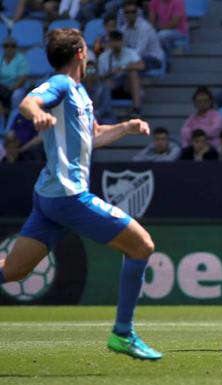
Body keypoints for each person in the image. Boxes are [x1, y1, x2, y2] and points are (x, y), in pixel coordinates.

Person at [0, 28, 161, 360]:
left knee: (13, 271)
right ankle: (123, 334)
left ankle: (124, 334)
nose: (90, 54)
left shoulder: (79, 93)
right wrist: (37, 113)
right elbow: (31, 100)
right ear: (79, 54)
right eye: (88, 50)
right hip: (68, 196)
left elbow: (95, 134)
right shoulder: (60, 84)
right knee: (142, 246)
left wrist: (127, 128)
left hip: (50, 198)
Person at [97, 30, 145, 116]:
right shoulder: (103, 57)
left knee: (133, 73)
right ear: (109, 43)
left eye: (118, 41)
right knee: (105, 84)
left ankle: (136, 108)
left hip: (126, 85)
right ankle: (104, 112)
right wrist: (109, 74)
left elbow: (141, 65)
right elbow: (100, 76)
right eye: (113, 41)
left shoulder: (130, 52)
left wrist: (123, 68)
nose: (116, 44)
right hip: (111, 85)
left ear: (122, 42)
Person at [121, 0, 165, 71]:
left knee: (131, 66)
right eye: (127, 12)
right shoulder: (123, 29)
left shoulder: (144, 27)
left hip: (153, 58)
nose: (130, 14)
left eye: (133, 12)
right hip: (136, 58)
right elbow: (123, 48)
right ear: (123, 13)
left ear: (137, 12)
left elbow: (140, 50)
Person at [0, 36, 29, 115]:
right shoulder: (0, 58)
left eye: (12, 46)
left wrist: (12, 88)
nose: (9, 48)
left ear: (16, 47)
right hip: (2, 87)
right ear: (3, 47)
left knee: (16, 95)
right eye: (6, 46)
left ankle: (13, 116)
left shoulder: (21, 59)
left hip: (17, 87)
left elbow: (23, 78)